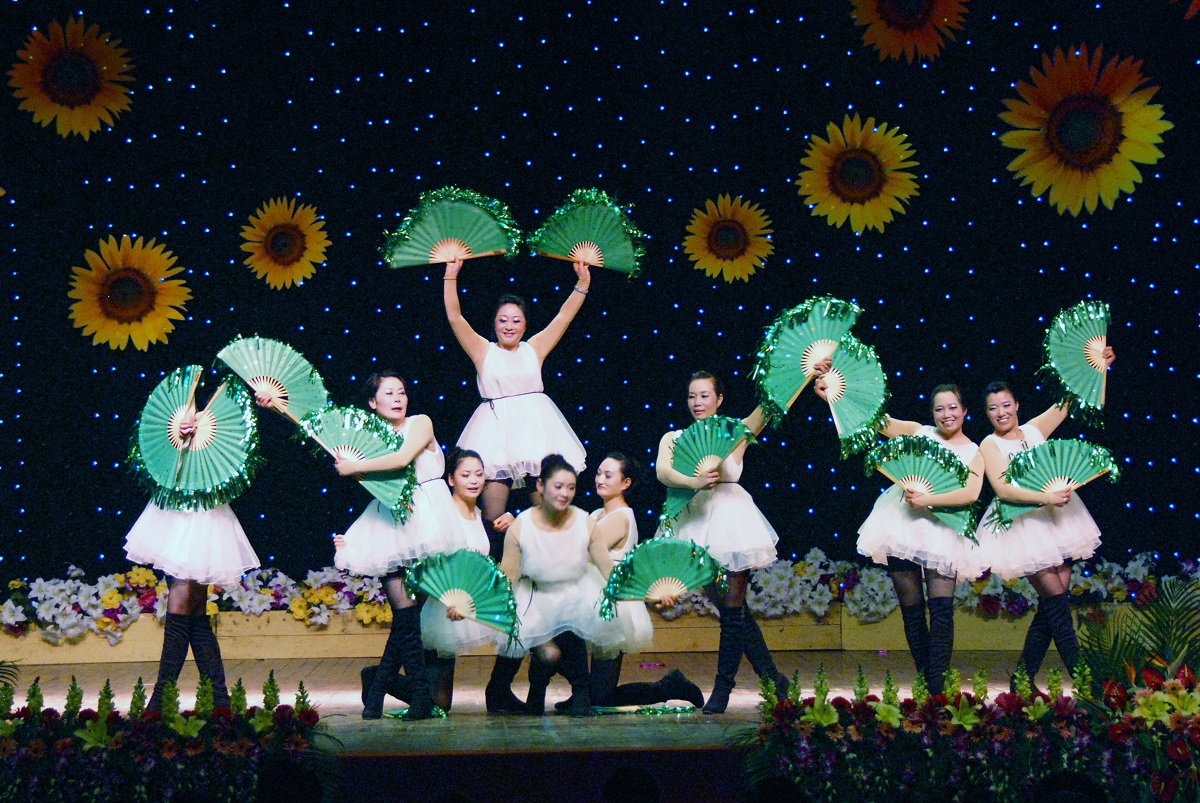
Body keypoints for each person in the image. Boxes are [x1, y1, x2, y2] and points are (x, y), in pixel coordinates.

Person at [819, 380, 984, 696]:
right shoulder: (918, 432)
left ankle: (936, 688)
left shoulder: (973, 451)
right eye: (939, 409)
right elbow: (873, 419)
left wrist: (929, 500)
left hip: (943, 530)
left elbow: (971, 493)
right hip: (902, 524)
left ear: (965, 410)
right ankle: (929, 685)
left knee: (942, 612)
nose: (946, 414)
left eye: (953, 407)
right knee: (912, 611)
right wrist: (835, 395)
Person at [970, 347, 1115, 689]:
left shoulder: (1035, 430)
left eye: (1006, 405)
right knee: (1058, 607)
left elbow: (1071, 398)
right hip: (1022, 526)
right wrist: (1047, 497)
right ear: (987, 414)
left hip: (1057, 522)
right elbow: (1003, 489)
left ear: (1017, 405)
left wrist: (1099, 366)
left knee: (1053, 608)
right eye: (993, 408)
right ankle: (1086, 683)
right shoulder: (989, 444)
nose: (1001, 412)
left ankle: (1021, 680)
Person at [654, 371, 789, 714]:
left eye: (704, 395)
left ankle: (723, 687)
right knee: (733, 611)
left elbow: (769, 407)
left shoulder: (734, 432)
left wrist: (802, 373)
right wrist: (694, 481)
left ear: (719, 399)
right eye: (692, 396)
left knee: (732, 611)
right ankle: (773, 678)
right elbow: (663, 472)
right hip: (696, 522)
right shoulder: (674, 437)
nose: (697, 402)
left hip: (732, 523)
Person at [334, 371, 462, 720]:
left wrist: (355, 466)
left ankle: (380, 690)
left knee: (409, 617)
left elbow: (404, 458)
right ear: (372, 402)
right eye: (388, 393)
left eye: (401, 392)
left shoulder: (420, 422)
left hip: (429, 521)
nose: (397, 398)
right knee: (404, 615)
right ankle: (412, 695)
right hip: (391, 520)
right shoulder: (369, 440)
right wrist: (354, 468)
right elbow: (374, 481)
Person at [442, 257, 590, 546]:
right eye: (503, 320)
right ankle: (497, 567)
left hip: (537, 434)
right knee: (492, 516)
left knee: (547, 512)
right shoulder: (483, 351)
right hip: (494, 435)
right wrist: (450, 277)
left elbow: (563, 317)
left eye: (516, 320)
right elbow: (455, 318)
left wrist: (582, 284)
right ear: (494, 324)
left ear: (525, 325)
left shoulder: (534, 348)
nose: (509, 326)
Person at [125, 414, 259, 714]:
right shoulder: (175, 415)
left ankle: (164, 701)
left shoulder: (217, 420)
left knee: (188, 607)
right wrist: (175, 436)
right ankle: (215, 700)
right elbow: (155, 458)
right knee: (192, 611)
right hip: (174, 510)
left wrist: (204, 438)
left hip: (204, 512)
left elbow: (232, 464)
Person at [357, 449, 505, 713]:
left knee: (440, 703)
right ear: (451, 479)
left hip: (457, 611)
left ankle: (382, 679)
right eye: (465, 475)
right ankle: (375, 677)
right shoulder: (439, 517)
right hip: (433, 610)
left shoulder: (482, 517)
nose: (473, 480)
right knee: (438, 703)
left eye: (479, 474)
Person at [555, 453, 704, 711]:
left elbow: (582, 553)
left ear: (626, 483)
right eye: (599, 473)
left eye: (608, 475)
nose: (600, 479)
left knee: (603, 698)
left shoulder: (620, 517)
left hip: (612, 607)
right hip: (591, 602)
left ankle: (669, 686)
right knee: (560, 645)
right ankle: (585, 691)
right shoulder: (598, 513)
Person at [495, 454, 625, 716]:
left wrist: (644, 592)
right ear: (540, 486)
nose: (565, 493)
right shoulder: (521, 525)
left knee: (572, 627)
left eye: (571, 487)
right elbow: (507, 576)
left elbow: (607, 568)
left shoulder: (584, 522)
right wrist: (479, 603)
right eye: (558, 486)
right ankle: (536, 691)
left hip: (572, 597)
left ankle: (580, 693)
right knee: (550, 654)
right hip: (533, 600)